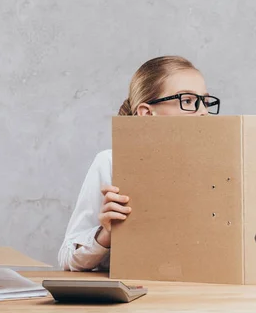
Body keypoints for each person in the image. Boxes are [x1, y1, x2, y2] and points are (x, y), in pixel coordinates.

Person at [58, 56, 220, 271]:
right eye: (188, 101)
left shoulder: (221, 167)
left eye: (206, 102)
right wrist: (106, 234)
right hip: (135, 294)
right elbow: (68, 259)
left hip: (204, 293)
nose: (202, 112)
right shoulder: (111, 162)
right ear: (147, 113)